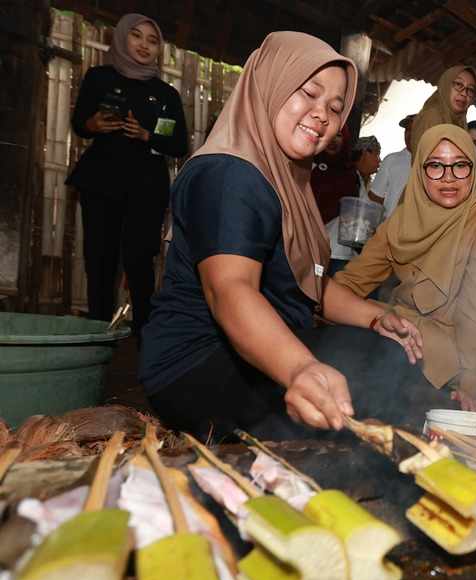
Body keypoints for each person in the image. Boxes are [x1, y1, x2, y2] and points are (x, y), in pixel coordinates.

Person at [139, 32, 423, 440]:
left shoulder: (287, 177)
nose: (321, 114)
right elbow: (230, 291)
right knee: (362, 379)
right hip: (195, 364)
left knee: (380, 357)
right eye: (307, 93)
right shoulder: (230, 174)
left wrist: (376, 318)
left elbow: (311, 284)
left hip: (257, 346)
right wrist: (300, 370)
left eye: (334, 107)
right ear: (269, 84)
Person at [333, 124, 476, 417]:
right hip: (399, 332)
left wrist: (472, 386)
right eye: (435, 166)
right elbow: (352, 281)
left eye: (460, 165)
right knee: (340, 353)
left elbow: (475, 312)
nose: (449, 177)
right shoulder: (404, 217)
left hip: (448, 355)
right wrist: (324, 305)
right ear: (420, 170)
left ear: (473, 167)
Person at [66, 13, 188, 336]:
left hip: (146, 188)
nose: (144, 45)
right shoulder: (99, 77)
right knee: (99, 259)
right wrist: (94, 124)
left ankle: (144, 338)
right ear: (122, 38)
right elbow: (79, 123)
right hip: (100, 182)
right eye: (137, 36)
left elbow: (179, 144)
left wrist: (148, 135)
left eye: (152, 40)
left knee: (139, 260)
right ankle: (97, 333)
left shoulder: (166, 95)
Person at [325, 135, 381, 275]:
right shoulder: (348, 178)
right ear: (364, 153)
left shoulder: (358, 180)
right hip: (336, 251)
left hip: (340, 251)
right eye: (376, 154)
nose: (379, 160)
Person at [409, 66, 476, 155]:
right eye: (458, 84)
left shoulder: (460, 122)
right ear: (446, 85)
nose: (464, 93)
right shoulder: (432, 117)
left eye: (470, 90)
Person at [369, 114, 415, 218]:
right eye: (407, 130)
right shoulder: (391, 161)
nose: (410, 134)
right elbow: (375, 199)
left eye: (415, 129)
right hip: (389, 229)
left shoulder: (434, 162)